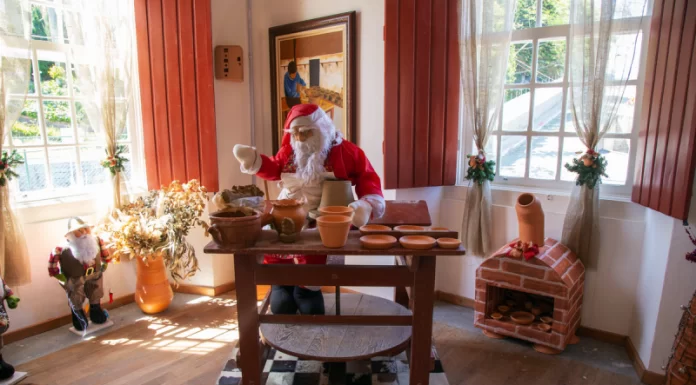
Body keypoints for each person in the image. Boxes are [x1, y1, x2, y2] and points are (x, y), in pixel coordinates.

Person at [233, 103, 385, 315]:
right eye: (295, 133)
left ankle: (307, 291)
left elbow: (367, 177)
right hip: (287, 210)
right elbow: (275, 168)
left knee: (313, 251)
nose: (300, 139)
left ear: (321, 129)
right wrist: (255, 162)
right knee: (274, 242)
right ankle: (281, 284)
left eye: (305, 132)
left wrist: (366, 204)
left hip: (322, 216)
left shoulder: (346, 152)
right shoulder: (289, 150)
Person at [48, 217, 112, 331]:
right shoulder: (61, 248)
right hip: (75, 277)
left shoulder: (97, 240)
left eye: (85, 229)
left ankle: (96, 312)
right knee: (76, 295)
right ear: (71, 233)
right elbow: (52, 264)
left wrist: (105, 263)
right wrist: (59, 275)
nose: (84, 233)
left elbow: (105, 254)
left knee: (96, 292)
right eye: (79, 231)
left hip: (95, 274)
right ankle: (79, 318)